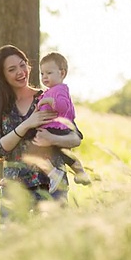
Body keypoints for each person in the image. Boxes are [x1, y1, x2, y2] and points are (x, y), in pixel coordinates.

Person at [0, 45, 82, 222]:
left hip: (51, 186)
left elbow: (75, 137)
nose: (20, 72)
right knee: (12, 244)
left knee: (52, 244)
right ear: (2, 75)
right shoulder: (0, 107)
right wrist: (27, 124)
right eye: (12, 69)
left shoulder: (47, 98)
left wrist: (52, 138)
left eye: (23, 65)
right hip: (15, 188)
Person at [28, 51, 91, 191]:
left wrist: (49, 101)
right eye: (42, 73)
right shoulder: (49, 91)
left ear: (62, 73)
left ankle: (54, 173)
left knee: (39, 149)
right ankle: (80, 172)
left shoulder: (60, 90)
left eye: (49, 73)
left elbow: (64, 106)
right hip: (54, 127)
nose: (44, 77)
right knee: (63, 154)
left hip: (57, 128)